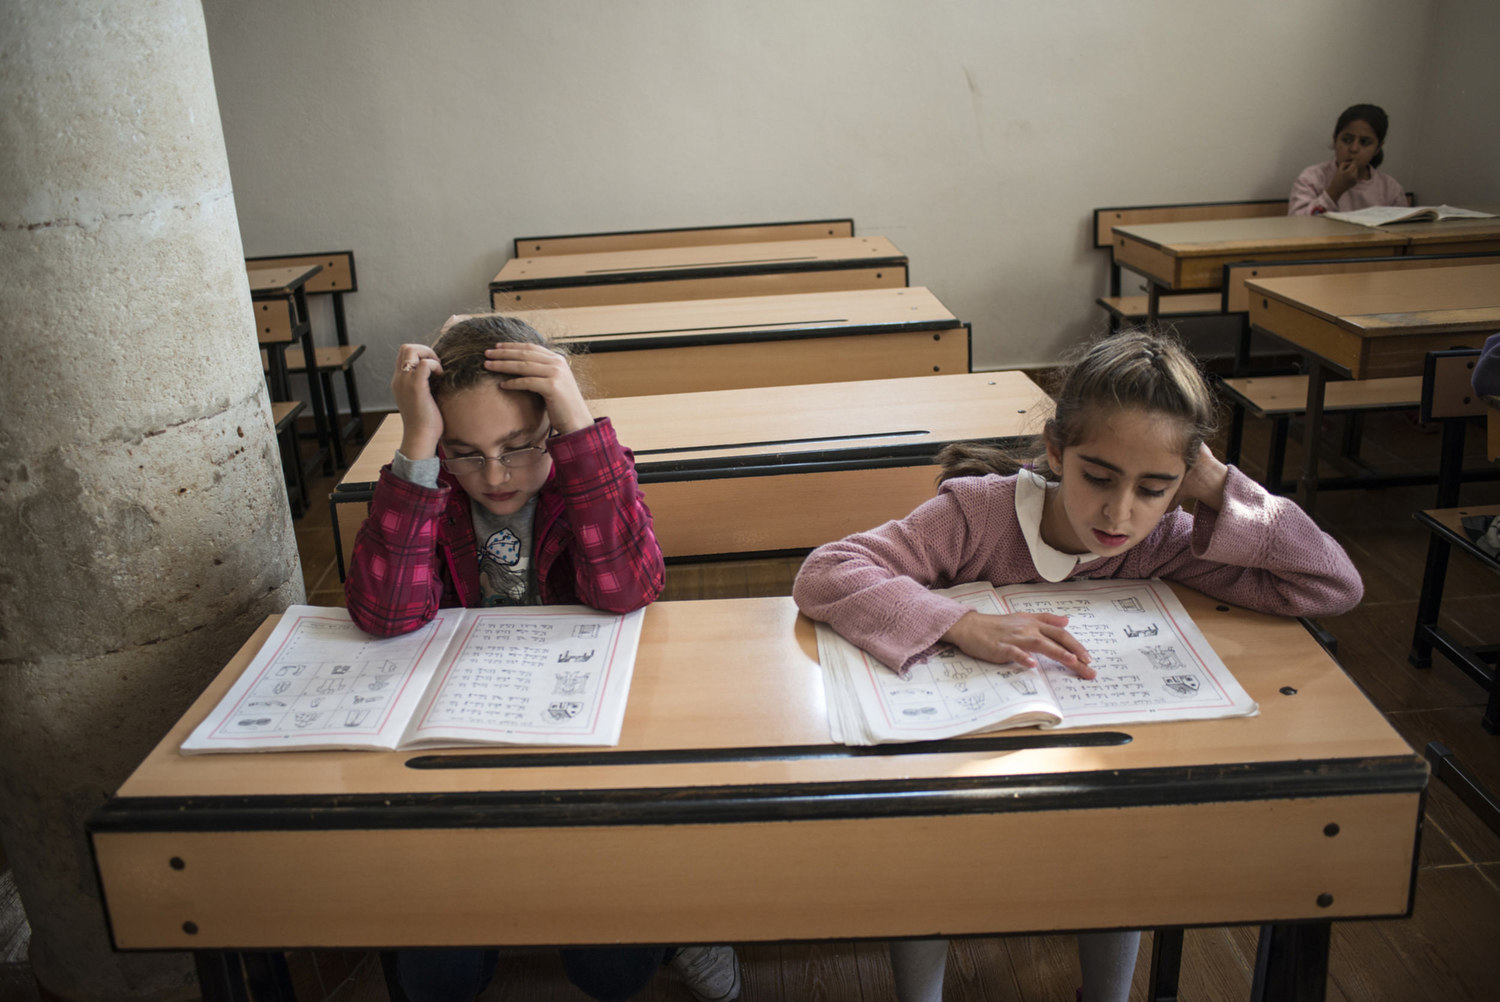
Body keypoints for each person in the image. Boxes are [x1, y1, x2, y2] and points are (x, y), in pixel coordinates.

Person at [791, 329, 1363, 1002]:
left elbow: (1330, 587)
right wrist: (961, 623)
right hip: (965, 767)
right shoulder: (978, 515)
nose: (1121, 513)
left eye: (1156, 486)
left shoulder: (1165, 543)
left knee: (1122, 852)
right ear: (1057, 450)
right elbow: (827, 571)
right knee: (931, 852)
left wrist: (1219, 486)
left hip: (1098, 772)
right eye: (1099, 478)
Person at [345, 314, 740, 1002]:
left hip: (585, 732)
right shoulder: (430, 488)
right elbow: (385, 614)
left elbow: (626, 589)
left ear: (553, 431)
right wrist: (418, 447)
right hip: (468, 740)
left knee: (610, 973)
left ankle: (684, 915)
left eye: (520, 446)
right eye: (466, 451)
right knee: (436, 980)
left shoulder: (580, 481)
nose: (495, 474)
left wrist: (581, 430)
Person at [1289, 103, 1406, 216]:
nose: (1354, 149)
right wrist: (1334, 191)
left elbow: (1403, 230)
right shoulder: (1312, 178)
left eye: (1364, 142)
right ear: (1335, 140)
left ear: (1377, 148)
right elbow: (1297, 226)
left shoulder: (1391, 189)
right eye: (1347, 140)